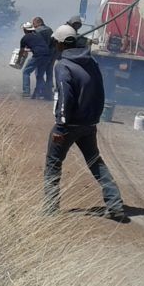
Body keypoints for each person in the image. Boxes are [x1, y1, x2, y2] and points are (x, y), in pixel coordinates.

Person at [44, 24, 128, 222]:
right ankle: (115, 205)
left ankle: (50, 209)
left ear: (62, 44)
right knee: (95, 162)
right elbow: (100, 92)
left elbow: (65, 94)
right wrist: (94, 119)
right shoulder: (91, 62)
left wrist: (62, 124)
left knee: (53, 164)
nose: (55, 46)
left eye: (56, 43)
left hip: (68, 125)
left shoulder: (62, 66)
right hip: (89, 125)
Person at [31, 16, 54, 99]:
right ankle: (49, 91)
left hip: (41, 56)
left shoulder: (37, 31)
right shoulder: (50, 30)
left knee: (39, 74)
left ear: (38, 23)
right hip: (51, 55)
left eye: (34, 24)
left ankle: (40, 90)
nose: (33, 26)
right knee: (49, 73)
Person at [17, 21, 42, 98]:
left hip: (38, 55)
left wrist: (18, 60)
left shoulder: (25, 38)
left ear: (25, 30)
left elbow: (21, 51)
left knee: (26, 72)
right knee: (40, 73)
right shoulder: (38, 35)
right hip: (46, 55)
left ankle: (26, 92)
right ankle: (43, 92)